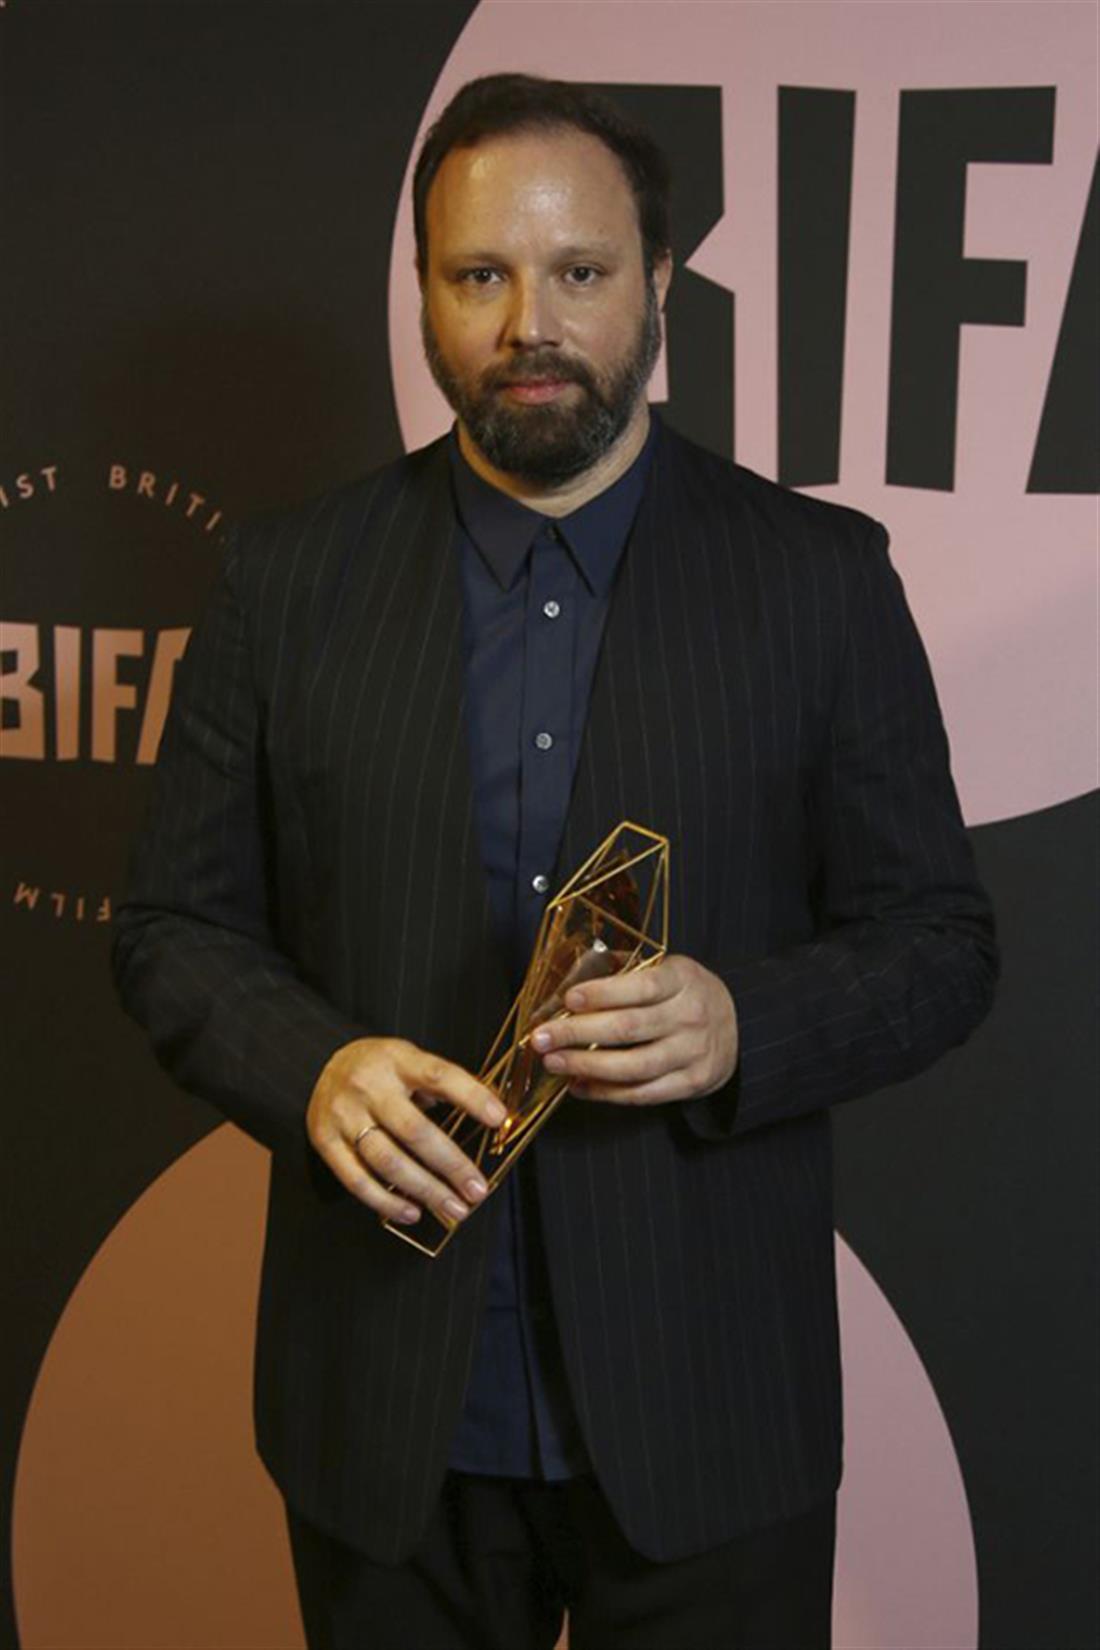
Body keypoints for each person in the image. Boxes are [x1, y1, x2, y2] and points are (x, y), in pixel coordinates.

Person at [112, 72, 999, 1650]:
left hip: (712, 1420)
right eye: (481, 275)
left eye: (580, 270)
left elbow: (940, 940)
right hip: (385, 1421)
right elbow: (174, 925)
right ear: (423, 293)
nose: (531, 323)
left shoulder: (820, 580)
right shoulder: (283, 581)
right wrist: (311, 1068)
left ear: (659, 283)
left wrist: (743, 1023)